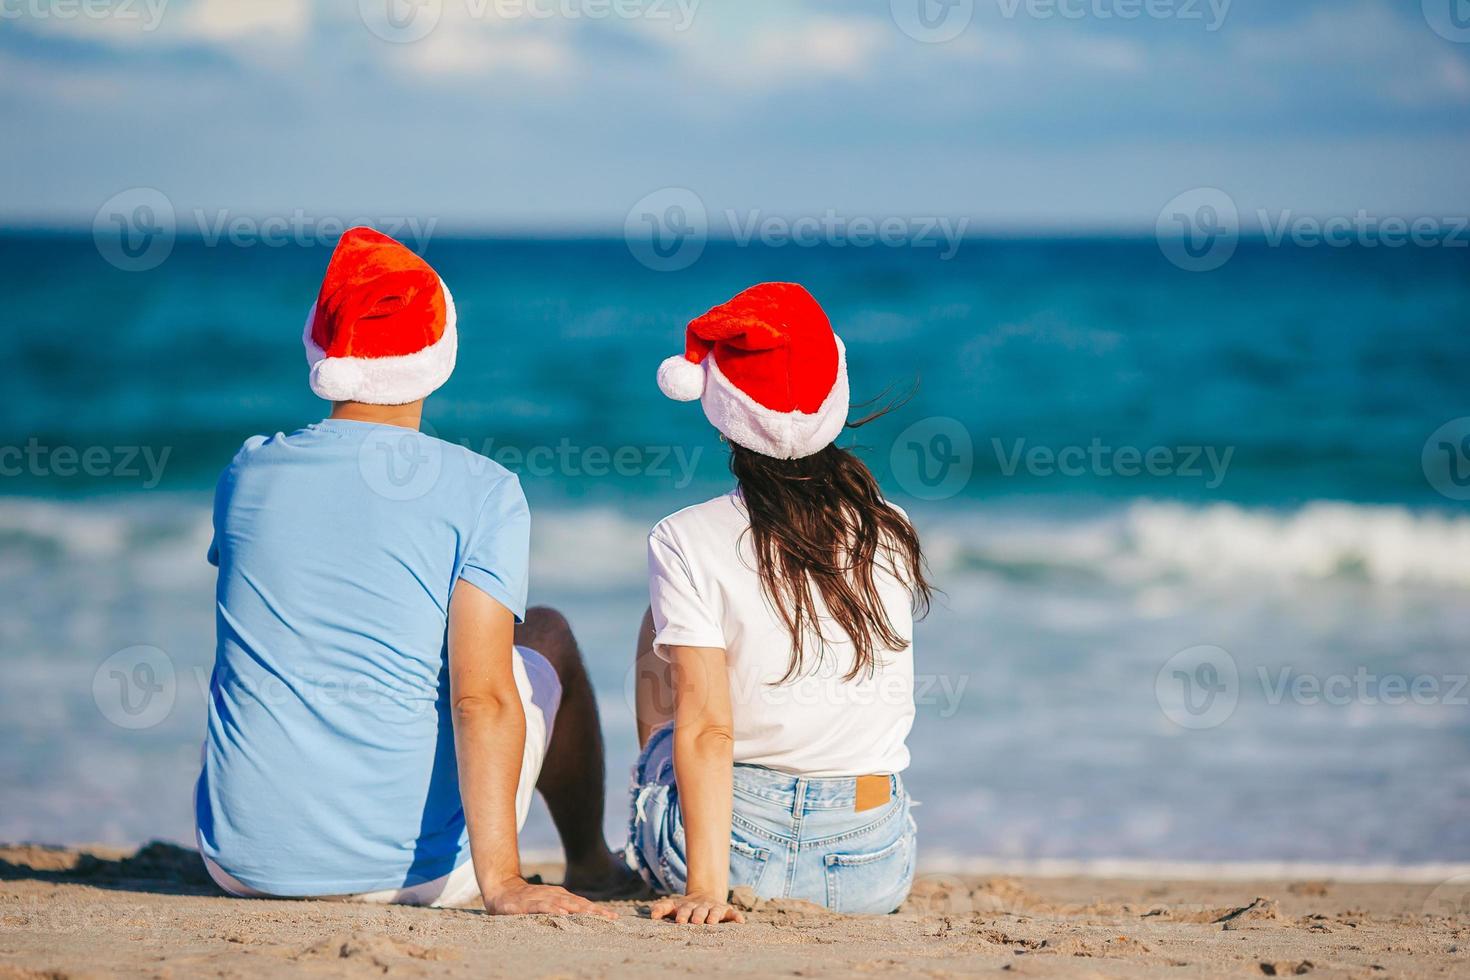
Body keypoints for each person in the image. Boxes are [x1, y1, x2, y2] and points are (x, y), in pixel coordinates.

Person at [195, 227, 628, 914]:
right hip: (413, 876)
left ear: (320, 346)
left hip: (238, 863)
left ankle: (282, 831)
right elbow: (479, 698)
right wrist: (506, 886)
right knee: (545, 634)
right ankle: (591, 862)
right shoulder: (484, 490)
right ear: (439, 354)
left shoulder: (248, 471)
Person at [627, 282, 933, 924]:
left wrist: (707, 892)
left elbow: (708, 726)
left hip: (732, 848)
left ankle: (677, 844)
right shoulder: (890, 527)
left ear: (719, 403)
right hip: (869, 867)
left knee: (660, 632)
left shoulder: (684, 537)